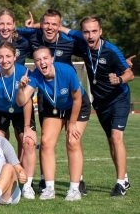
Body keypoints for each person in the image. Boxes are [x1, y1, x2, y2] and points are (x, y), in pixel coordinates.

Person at [59, 16, 134, 196]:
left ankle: (120, 183)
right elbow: (60, 28)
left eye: (94, 31)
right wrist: (39, 25)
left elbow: (129, 73)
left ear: (100, 31)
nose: (90, 35)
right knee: (111, 140)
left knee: (116, 137)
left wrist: (119, 79)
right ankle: (125, 178)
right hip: (100, 102)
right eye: (86, 32)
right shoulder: (83, 42)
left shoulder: (111, 51)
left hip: (119, 98)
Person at [16, 47, 90, 201]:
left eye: (45, 58)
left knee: (72, 141)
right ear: (34, 63)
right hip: (55, 107)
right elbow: (22, 101)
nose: (42, 62)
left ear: (52, 59)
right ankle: (49, 188)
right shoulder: (35, 75)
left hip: (77, 106)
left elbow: (77, 99)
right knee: (46, 143)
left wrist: (72, 123)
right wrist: (21, 88)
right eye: (37, 60)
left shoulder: (67, 71)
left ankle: (75, 189)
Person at [0, 42, 37, 199]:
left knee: (28, 142)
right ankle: (1, 179)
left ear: (15, 57)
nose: (4, 60)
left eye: (8, 56)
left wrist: (27, 127)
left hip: (21, 110)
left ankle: (28, 185)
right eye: (1, 57)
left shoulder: (25, 73)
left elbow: (27, 101)